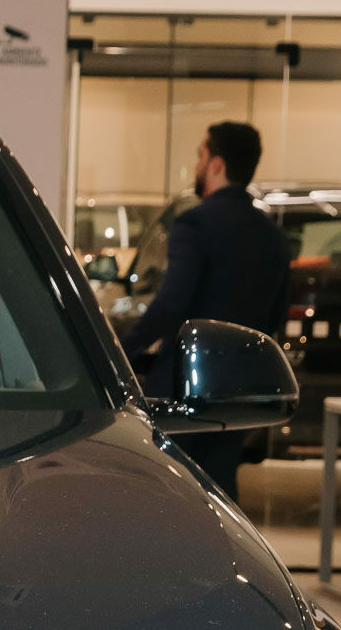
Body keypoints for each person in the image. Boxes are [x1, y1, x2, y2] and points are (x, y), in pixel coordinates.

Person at [119, 120, 289, 500]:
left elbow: (171, 304)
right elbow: (276, 317)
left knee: (167, 492)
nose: (196, 166)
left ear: (216, 164)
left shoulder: (196, 224)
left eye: (200, 155)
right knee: (219, 492)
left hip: (185, 388)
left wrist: (122, 350)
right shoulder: (272, 236)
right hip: (239, 393)